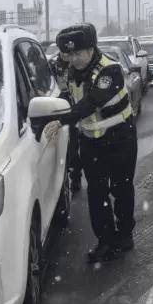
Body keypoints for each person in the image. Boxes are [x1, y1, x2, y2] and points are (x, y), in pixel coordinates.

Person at [50, 23, 138, 263]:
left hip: (120, 138)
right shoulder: (69, 70)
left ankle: (125, 234)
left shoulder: (110, 71)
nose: (75, 59)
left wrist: (61, 120)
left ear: (91, 49)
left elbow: (91, 102)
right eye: (70, 54)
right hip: (90, 141)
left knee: (121, 188)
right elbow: (66, 94)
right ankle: (105, 241)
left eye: (79, 53)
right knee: (97, 193)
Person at [49, 35, 83, 193]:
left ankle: (76, 178)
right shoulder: (52, 66)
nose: (66, 54)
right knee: (62, 150)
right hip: (56, 110)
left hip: (74, 111)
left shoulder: (77, 64)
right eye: (63, 51)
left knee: (74, 148)